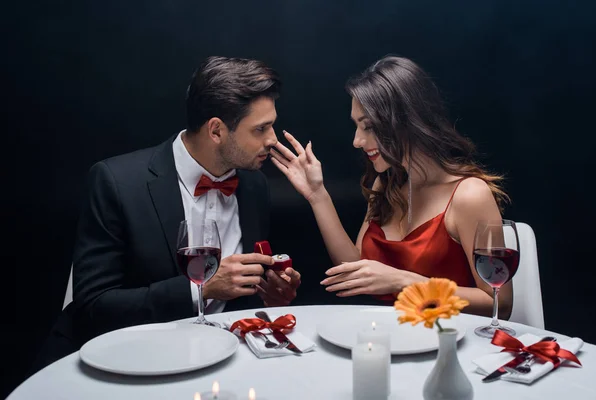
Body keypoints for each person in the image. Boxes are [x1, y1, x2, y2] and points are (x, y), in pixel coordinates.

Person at [31, 56, 302, 373]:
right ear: (216, 131)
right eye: (261, 129)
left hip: (221, 360)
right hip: (127, 361)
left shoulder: (253, 184)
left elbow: (239, 298)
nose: (272, 139)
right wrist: (202, 288)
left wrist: (269, 289)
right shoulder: (116, 183)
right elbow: (93, 307)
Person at [270, 55, 512, 319]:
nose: (357, 141)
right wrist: (317, 195)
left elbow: (498, 302)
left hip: (451, 345)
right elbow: (355, 270)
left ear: (408, 121)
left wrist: (404, 282)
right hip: (392, 339)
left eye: (369, 127)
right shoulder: (386, 183)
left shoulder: (469, 195)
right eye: (356, 127)